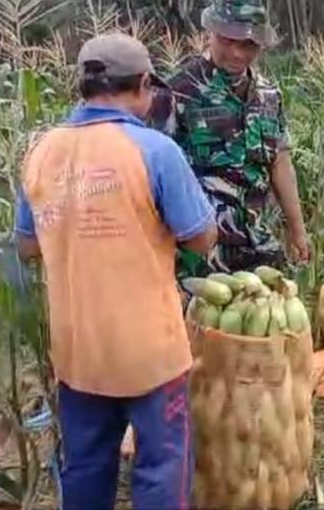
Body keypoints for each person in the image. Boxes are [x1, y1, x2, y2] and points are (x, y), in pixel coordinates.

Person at [15, 32, 218, 510]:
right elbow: (201, 235)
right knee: (162, 468)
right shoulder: (153, 149)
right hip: (149, 350)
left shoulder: (42, 152)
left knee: (85, 466)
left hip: (77, 350)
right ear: (144, 83)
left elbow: (26, 246)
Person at [150, 0, 309, 277]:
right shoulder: (177, 91)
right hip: (196, 259)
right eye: (227, 40)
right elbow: (152, 177)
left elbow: (280, 163)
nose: (237, 53)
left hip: (255, 247)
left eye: (249, 44)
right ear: (211, 32)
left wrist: (297, 230)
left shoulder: (269, 96)